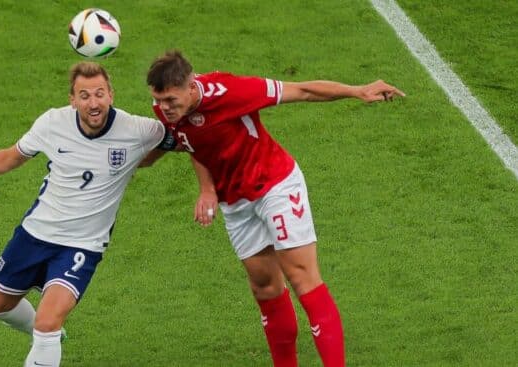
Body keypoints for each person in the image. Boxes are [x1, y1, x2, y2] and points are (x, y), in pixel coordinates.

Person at [142, 50, 404, 367]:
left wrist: (357, 90)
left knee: (301, 276)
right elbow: (192, 141)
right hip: (235, 202)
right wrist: (207, 188)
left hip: (275, 184)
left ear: (191, 85)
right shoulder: (165, 110)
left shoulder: (233, 92)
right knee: (265, 288)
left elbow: (302, 90)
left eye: (170, 99)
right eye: (159, 100)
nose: (164, 108)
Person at [0, 61, 175, 367]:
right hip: (35, 233)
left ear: (111, 95)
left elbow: (179, 137)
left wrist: (144, 161)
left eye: (99, 94)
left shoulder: (137, 129)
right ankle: (49, 338)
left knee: (47, 324)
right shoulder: (52, 123)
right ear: (72, 100)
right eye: (85, 95)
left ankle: (47, 338)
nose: (94, 103)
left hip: (82, 246)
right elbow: (12, 156)